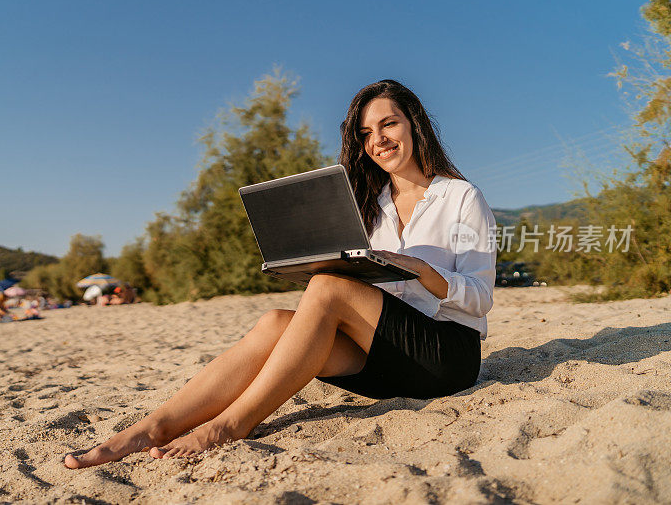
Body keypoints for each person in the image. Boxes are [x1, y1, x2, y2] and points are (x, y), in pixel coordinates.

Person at [63, 79, 496, 468]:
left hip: (447, 358)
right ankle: (151, 429)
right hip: (388, 360)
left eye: (389, 125)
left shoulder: (460, 197)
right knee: (275, 321)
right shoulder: (370, 204)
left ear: (414, 124)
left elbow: (480, 297)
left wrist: (421, 269)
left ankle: (230, 425)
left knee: (328, 288)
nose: (378, 140)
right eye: (366, 133)